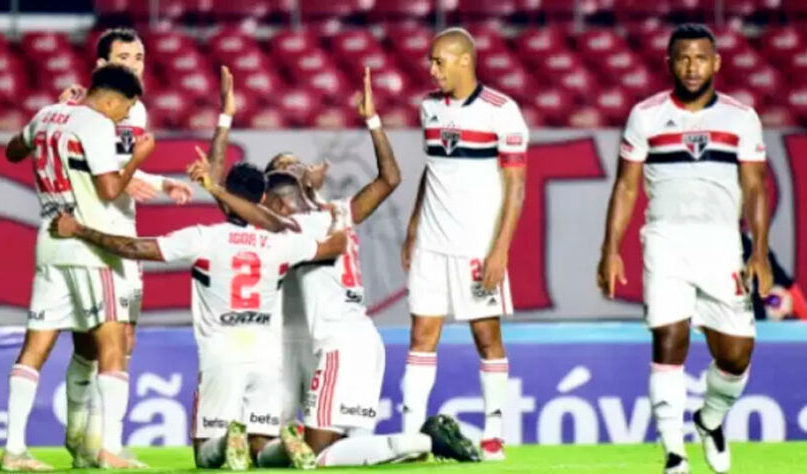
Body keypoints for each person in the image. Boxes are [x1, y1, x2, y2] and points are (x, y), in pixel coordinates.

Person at [190, 66, 477, 466]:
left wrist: (222, 135)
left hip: (333, 341)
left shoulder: (296, 225)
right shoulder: (336, 213)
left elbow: (227, 203)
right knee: (302, 450)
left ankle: (423, 440)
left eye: (294, 165)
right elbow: (389, 179)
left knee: (319, 454)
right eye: (285, 166)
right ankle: (411, 443)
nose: (293, 166)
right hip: (305, 344)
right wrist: (372, 121)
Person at [50, 159, 348, 470]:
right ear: (262, 199)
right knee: (261, 447)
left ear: (227, 196)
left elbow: (136, 248)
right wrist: (336, 214)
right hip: (267, 354)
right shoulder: (283, 243)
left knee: (206, 455)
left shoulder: (203, 237)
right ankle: (285, 446)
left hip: (223, 349)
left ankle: (225, 441)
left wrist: (81, 230)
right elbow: (335, 246)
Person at [597, 23, 772, 474]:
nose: (691, 67)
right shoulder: (647, 115)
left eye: (700, 58)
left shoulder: (740, 117)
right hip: (665, 241)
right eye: (683, 58)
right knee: (668, 339)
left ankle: (710, 421)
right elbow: (626, 186)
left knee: (735, 356)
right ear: (669, 63)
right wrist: (610, 249)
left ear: (716, 63)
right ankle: (674, 452)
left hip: (721, 246)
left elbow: (754, 188)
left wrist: (759, 254)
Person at [0, 64, 152, 471]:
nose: (123, 117)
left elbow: (13, 150)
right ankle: (111, 449)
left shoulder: (47, 113)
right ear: (111, 98)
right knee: (113, 348)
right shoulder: (97, 124)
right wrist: (137, 158)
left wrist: (52, 115)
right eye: (126, 107)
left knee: (34, 350)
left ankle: (14, 449)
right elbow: (110, 189)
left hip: (50, 242)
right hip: (90, 247)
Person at [58, 27, 193, 468]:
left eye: (139, 56)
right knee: (88, 343)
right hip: (86, 236)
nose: (134, 64)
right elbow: (94, 172)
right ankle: (82, 439)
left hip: (123, 238)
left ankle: (100, 442)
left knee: (124, 338)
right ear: (100, 65)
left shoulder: (136, 114)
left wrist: (161, 181)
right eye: (124, 56)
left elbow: (122, 172)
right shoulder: (80, 109)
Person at [400, 27, 528, 462]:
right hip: (432, 244)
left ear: (465, 61)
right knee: (422, 334)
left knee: (486, 335)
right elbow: (433, 169)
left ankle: (494, 431)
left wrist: (500, 250)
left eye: (439, 61)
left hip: (477, 245)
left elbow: (516, 187)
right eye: (431, 61)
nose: (431, 69)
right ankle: (411, 436)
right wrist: (415, 224)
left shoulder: (502, 112)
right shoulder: (429, 109)